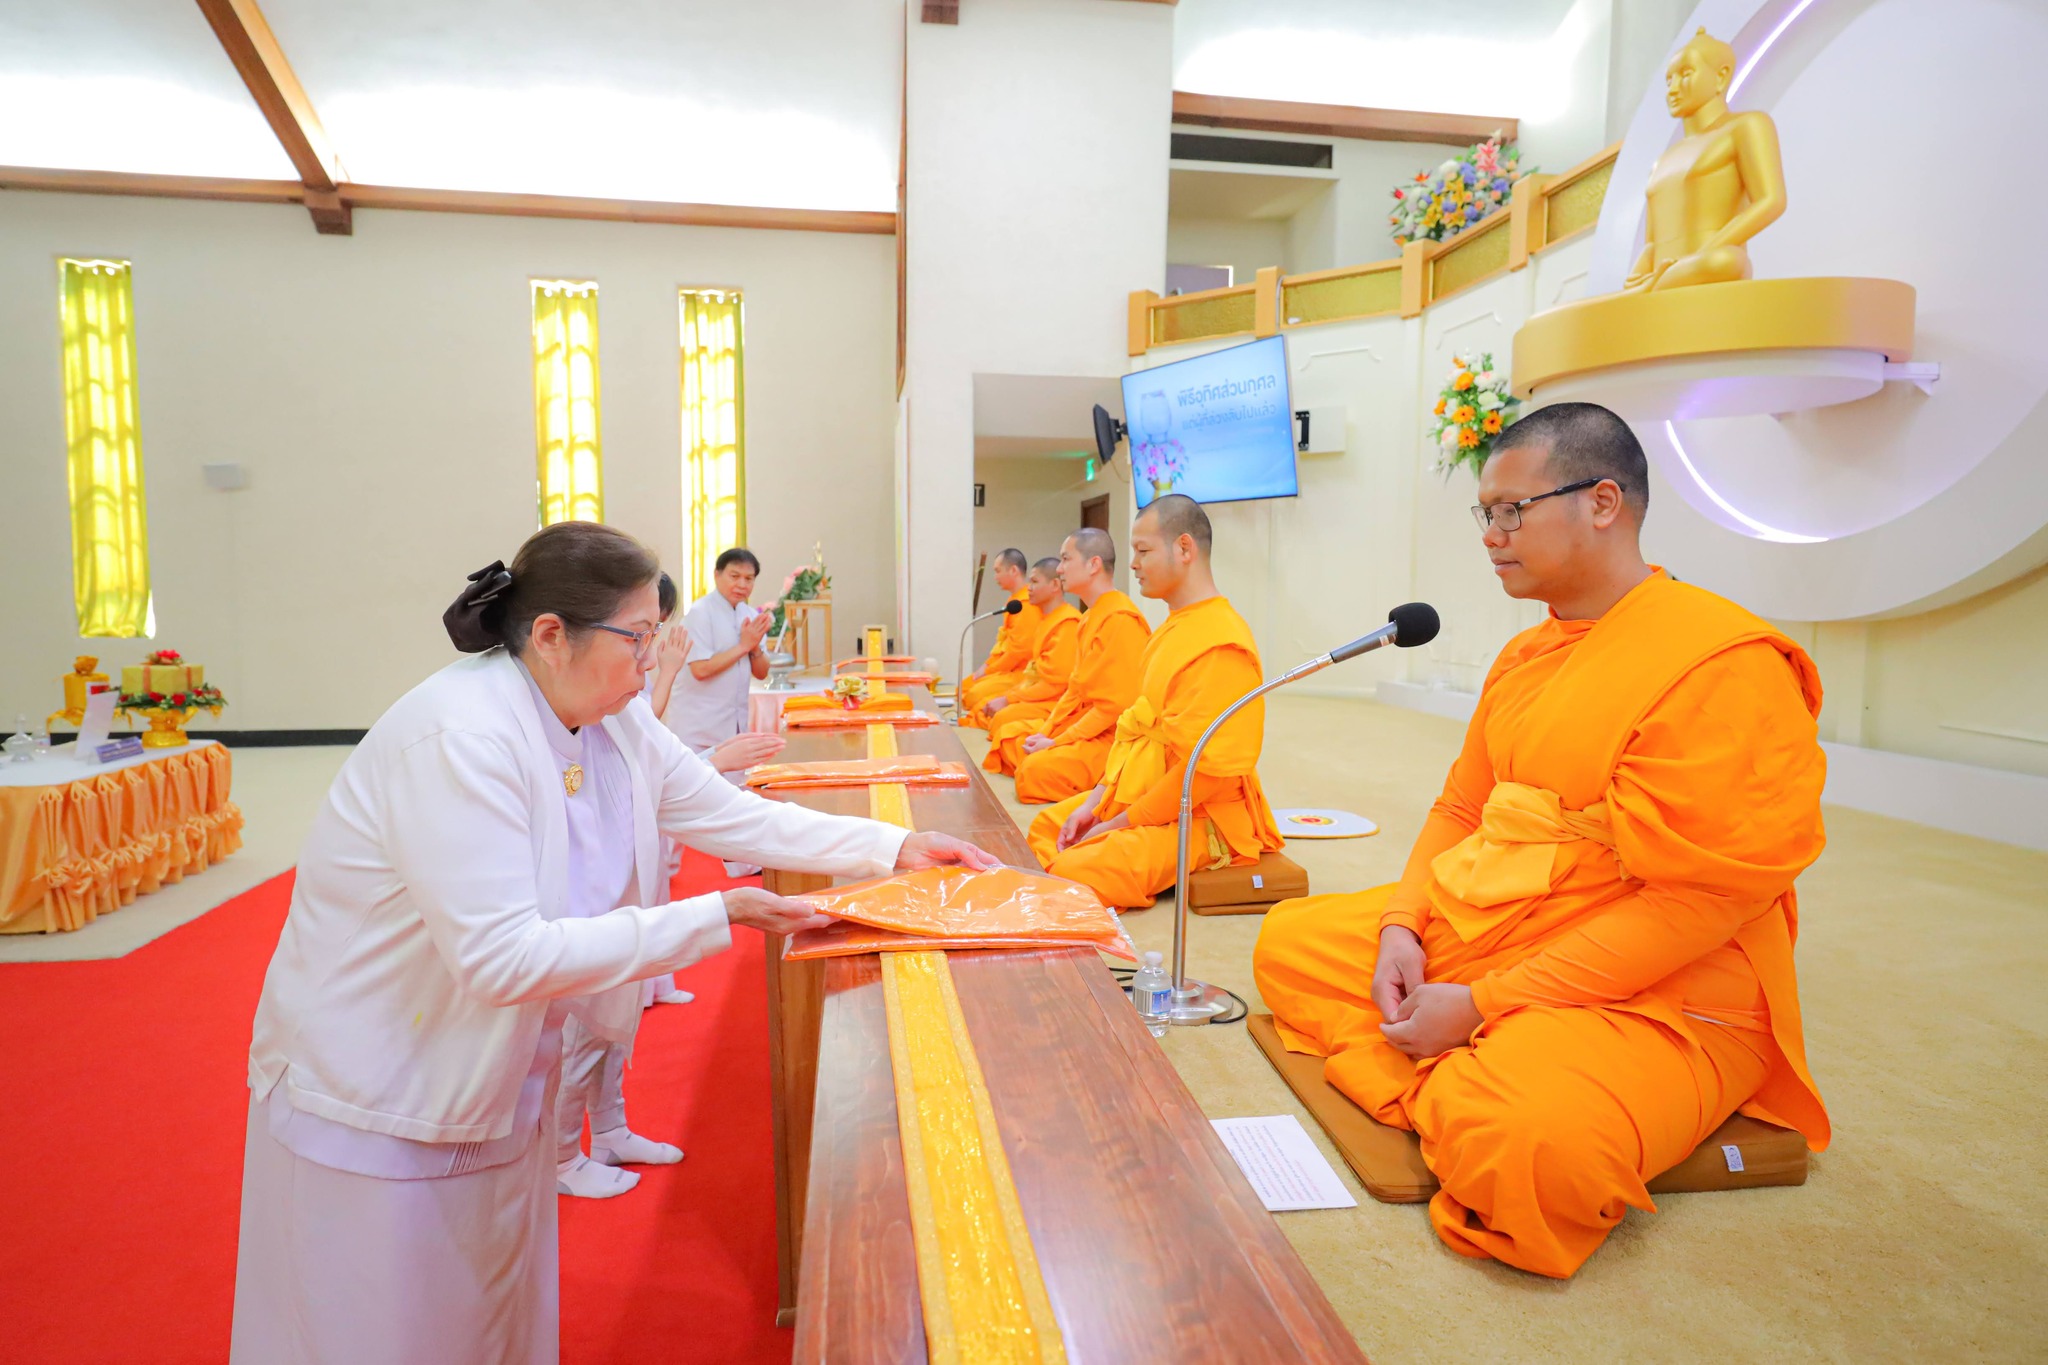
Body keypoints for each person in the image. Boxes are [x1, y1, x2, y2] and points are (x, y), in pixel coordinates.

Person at [230, 521, 997, 1363]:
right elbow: (500, 957)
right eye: (638, 638)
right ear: (551, 635)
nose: (651, 660)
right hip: (384, 1085)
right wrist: (719, 915)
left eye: (656, 634)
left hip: (494, 1075)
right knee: (385, 1329)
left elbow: (729, 812)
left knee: (491, 1317)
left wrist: (894, 847)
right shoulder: (462, 736)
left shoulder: (613, 718)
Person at [1253, 402, 1830, 1279]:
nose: (1492, 535)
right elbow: (1461, 808)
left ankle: (1481, 1062)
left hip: (1658, 989)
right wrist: (1403, 926)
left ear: (1603, 502)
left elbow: (1699, 904)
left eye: (1512, 510)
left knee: (1529, 1144)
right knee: (1289, 945)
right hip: (1501, 927)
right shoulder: (1527, 656)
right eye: (1485, 513)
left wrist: (1484, 1003)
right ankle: (1464, 1058)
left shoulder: (1723, 663)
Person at [1026, 495, 1282, 910]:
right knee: (1047, 827)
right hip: (1139, 785)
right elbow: (1134, 732)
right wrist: (1095, 802)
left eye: (1143, 551)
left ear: (1184, 548)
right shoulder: (1171, 628)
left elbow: (1204, 773)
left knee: (1075, 870)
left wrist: (1117, 822)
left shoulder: (1221, 642)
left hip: (1198, 814)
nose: (1133, 564)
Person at [985, 529, 1150, 800]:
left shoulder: (1120, 619)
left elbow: (1113, 708)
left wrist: (1057, 741)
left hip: (1112, 737)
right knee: (1011, 738)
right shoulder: (1089, 618)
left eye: (1065, 559)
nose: (1060, 569)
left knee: (1033, 770)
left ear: (1093, 564)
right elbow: (1074, 690)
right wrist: (1047, 733)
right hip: (1081, 722)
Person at [657, 548, 775, 757]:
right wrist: (744, 646)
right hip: (698, 729)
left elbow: (761, 673)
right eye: (734, 576)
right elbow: (701, 670)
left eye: (749, 579)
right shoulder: (700, 613)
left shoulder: (750, 615)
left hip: (735, 727)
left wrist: (755, 647)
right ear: (717, 575)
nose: (742, 584)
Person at [963, 557, 1079, 733]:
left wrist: (1009, 698)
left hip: (1057, 700)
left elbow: (1056, 684)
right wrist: (1010, 696)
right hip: (1034, 689)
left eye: (1034, 582)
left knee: (999, 720)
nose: (1029, 588)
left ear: (1055, 585)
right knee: (981, 706)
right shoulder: (1046, 619)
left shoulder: (1067, 623)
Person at [957, 549, 1038, 718]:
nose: (995, 577)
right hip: (1007, 670)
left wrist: (990, 670)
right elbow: (1003, 645)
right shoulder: (1015, 601)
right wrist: (986, 667)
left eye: (997, 571)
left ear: (1013, 570)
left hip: (1021, 673)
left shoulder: (1025, 604)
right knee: (963, 688)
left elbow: (1019, 651)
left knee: (972, 696)